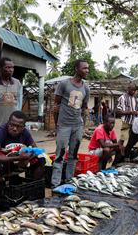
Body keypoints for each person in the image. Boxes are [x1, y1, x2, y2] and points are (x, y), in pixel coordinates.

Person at [0, 111, 45, 212]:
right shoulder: (0, 132)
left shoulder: (25, 133)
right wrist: (17, 158)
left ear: (23, 127)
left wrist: (28, 157)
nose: (14, 128)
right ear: (8, 123)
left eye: (18, 126)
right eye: (12, 125)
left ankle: (33, 195)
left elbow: (34, 148)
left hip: (15, 163)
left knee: (41, 160)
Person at [51, 59, 90, 188]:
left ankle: (69, 181)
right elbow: (56, 104)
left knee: (73, 154)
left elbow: (84, 107)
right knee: (60, 154)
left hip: (77, 125)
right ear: (76, 69)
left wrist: (82, 124)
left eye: (87, 68)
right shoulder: (64, 84)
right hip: (64, 125)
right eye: (84, 68)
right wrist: (57, 124)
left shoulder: (86, 87)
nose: (87, 71)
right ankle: (55, 183)